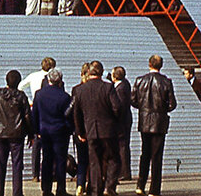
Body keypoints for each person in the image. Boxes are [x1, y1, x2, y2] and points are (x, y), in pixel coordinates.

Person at [72, 60, 121, 196]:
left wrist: (80, 132)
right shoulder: (108, 87)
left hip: (90, 131)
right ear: (101, 72)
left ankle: (96, 190)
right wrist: (114, 121)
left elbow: (77, 114)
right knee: (113, 159)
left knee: (94, 162)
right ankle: (109, 188)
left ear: (89, 73)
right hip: (108, 130)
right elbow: (117, 108)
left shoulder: (80, 90)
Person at [131, 55, 177, 196]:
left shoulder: (140, 80)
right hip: (159, 122)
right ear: (161, 65)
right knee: (157, 156)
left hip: (144, 120)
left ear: (149, 64)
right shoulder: (166, 82)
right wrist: (162, 110)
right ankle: (154, 190)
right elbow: (172, 104)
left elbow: (133, 100)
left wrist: (144, 108)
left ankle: (140, 184)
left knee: (145, 153)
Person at [0, 69, 32, 196]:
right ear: (18, 82)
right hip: (17, 135)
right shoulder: (21, 96)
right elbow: (27, 117)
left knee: (0, 165)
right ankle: (17, 193)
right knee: (17, 165)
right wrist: (31, 133)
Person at [32, 68, 72, 196]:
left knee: (47, 159)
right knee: (60, 160)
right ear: (60, 80)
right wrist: (69, 130)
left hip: (45, 131)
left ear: (48, 79)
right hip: (60, 131)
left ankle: (46, 189)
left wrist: (36, 130)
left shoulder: (39, 94)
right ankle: (61, 189)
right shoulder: (65, 96)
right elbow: (68, 117)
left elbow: (35, 114)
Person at [21, 57, 56, 182]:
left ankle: (35, 174)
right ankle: (51, 173)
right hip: (50, 111)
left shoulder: (33, 76)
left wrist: (29, 102)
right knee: (51, 144)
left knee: (36, 145)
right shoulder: (53, 77)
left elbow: (20, 87)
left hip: (35, 109)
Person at [70, 63, 90, 196]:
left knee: (82, 159)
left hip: (79, 130)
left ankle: (80, 185)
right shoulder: (96, 88)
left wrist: (77, 131)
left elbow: (74, 112)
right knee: (93, 160)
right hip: (93, 130)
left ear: (81, 74)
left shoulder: (76, 90)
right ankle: (91, 184)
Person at [110, 66, 133, 182]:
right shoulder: (125, 85)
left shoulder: (120, 89)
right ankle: (124, 171)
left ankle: (124, 172)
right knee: (123, 145)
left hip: (121, 121)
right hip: (125, 120)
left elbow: (120, 107)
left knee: (122, 145)